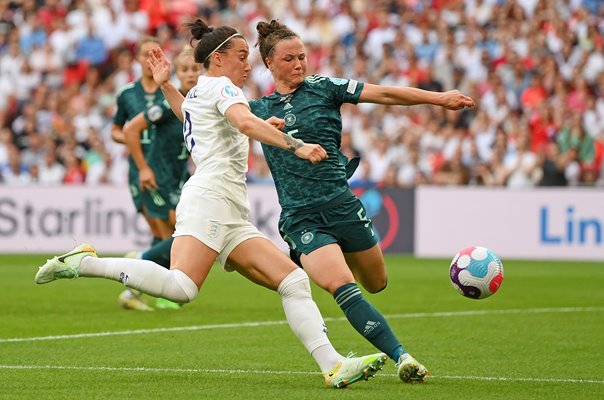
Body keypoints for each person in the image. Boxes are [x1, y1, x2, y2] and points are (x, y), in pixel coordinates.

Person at [35, 19, 387, 389]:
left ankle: (333, 365)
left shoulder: (203, 91)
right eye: (240, 56)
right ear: (218, 59)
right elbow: (244, 123)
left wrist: (167, 84)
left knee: (294, 280)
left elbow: (191, 115)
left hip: (229, 206)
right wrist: (297, 146)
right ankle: (84, 262)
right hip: (211, 198)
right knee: (181, 288)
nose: (247, 64)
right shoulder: (222, 87)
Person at [250, 20, 476, 383]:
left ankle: (327, 261)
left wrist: (439, 98)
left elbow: (384, 93)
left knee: (377, 283)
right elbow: (202, 116)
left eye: (302, 56)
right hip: (301, 218)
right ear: (269, 64)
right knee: (343, 286)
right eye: (289, 59)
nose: (299, 64)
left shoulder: (325, 87)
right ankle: (403, 357)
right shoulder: (256, 111)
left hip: (341, 204)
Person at [123, 46, 202, 310]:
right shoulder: (167, 106)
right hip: (159, 178)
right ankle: (141, 266)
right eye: (185, 70)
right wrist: (143, 168)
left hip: (180, 179)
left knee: (173, 239)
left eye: (195, 69)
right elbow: (131, 129)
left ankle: (143, 290)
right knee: (179, 236)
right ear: (175, 73)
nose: (190, 74)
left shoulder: (199, 106)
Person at [111, 36, 167, 311]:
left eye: (154, 54)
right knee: (163, 229)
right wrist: (133, 138)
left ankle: (143, 283)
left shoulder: (169, 91)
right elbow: (115, 130)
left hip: (168, 168)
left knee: (168, 232)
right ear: (138, 59)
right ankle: (139, 280)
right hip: (141, 169)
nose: (149, 59)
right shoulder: (126, 94)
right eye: (145, 54)